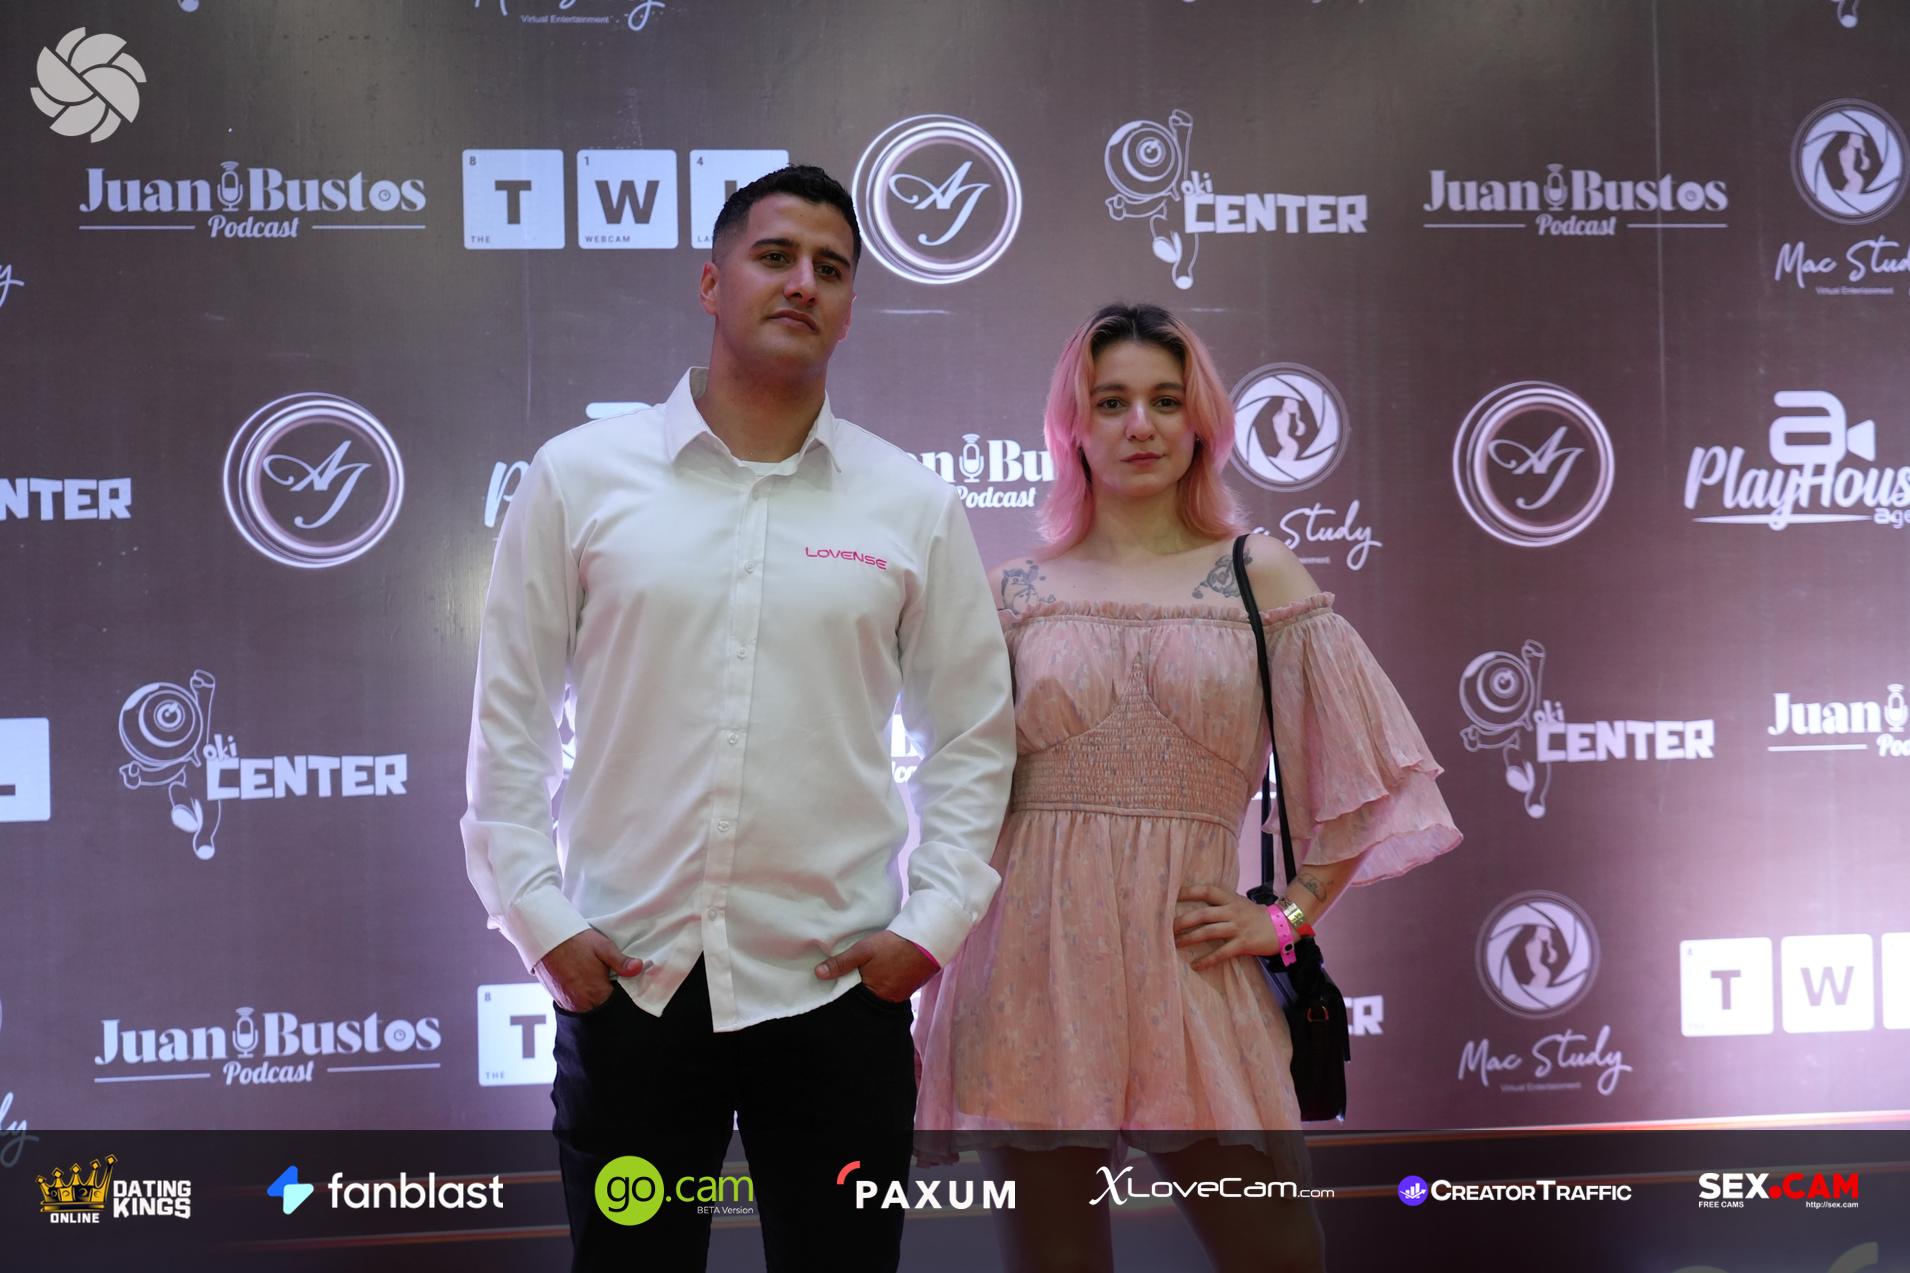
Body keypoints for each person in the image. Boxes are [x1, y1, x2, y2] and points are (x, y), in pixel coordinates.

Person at [461, 165, 1017, 1272]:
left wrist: (930, 927)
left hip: (834, 991)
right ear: (712, 283)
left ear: (849, 308)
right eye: (774, 257)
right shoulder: (579, 478)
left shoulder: (910, 503)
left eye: (830, 268)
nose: (802, 282)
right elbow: (508, 719)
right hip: (629, 983)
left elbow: (970, 732)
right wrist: (537, 918)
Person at [913, 303, 1462, 1273]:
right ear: (1071, 426)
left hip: (1192, 961)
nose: (1141, 425)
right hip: (1029, 966)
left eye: (1166, 401)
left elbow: (1368, 777)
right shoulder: (1012, 593)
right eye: (1112, 401)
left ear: (1200, 422)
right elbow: (963, 799)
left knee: (1279, 1254)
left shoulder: (1257, 574)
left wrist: (1286, 917)